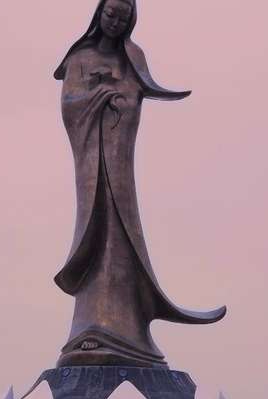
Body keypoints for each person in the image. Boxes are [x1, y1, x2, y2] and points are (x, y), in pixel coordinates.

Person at [54, 0, 226, 368]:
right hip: (94, 160)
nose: (116, 22)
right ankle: (91, 327)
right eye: (110, 14)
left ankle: (128, 330)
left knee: (122, 234)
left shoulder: (133, 56)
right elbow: (70, 105)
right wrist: (99, 95)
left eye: (124, 17)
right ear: (99, 15)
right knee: (98, 230)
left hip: (118, 159)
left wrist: (120, 98)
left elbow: (136, 94)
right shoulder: (79, 58)